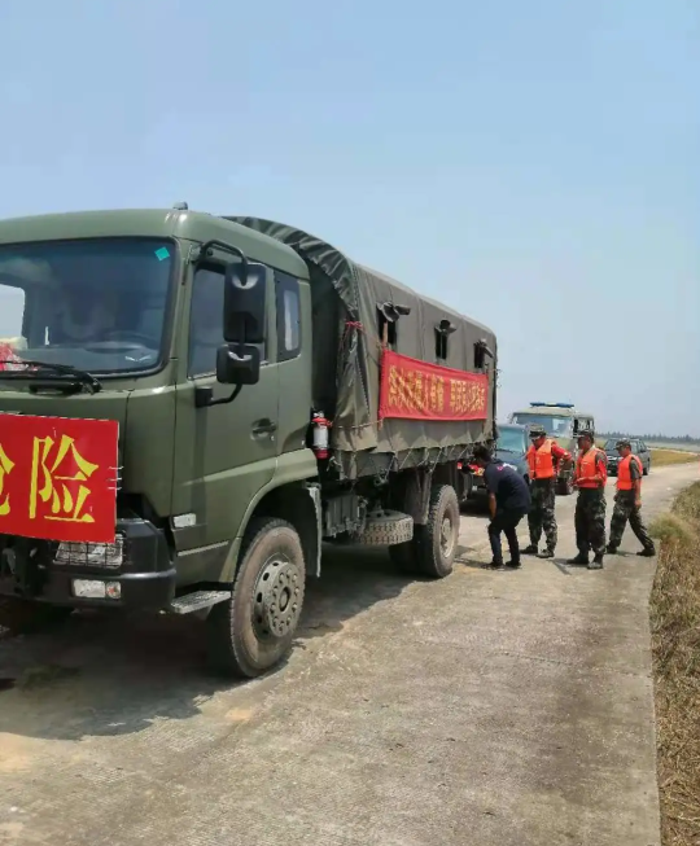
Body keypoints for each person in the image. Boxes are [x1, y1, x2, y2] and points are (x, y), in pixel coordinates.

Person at [472, 444, 532, 570]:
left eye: (476, 461)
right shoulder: (498, 464)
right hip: (524, 500)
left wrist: (494, 516)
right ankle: (515, 560)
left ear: (480, 460)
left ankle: (497, 562)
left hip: (515, 502)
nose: (477, 464)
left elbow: (492, 497)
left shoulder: (489, 471)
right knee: (509, 527)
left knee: (494, 529)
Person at [522, 424, 571, 559]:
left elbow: (568, 457)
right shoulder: (533, 448)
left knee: (547, 516)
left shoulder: (552, 447)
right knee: (533, 515)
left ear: (543, 437)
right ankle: (533, 545)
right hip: (535, 484)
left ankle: (550, 548)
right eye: (532, 439)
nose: (534, 441)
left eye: (536, 439)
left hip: (547, 485)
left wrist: (560, 472)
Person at [606, 439, 656, 557]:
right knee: (636, 523)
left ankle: (612, 546)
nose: (618, 451)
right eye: (617, 449)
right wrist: (618, 493)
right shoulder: (624, 460)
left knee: (617, 521)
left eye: (620, 449)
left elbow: (636, 481)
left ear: (628, 447)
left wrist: (637, 498)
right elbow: (624, 479)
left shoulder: (632, 462)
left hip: (629, 496)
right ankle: (649, 547)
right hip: (624, 494)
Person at [568, 429, 608, 569]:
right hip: (583, 494)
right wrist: (574, 479)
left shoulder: (598, 455)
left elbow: (601, 477)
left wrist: (585, 479)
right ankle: (583, 554)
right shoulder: (582, 454)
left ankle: (598, 557)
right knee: (581, 524)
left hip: (594, 495)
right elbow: (578, 471)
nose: (578, 442)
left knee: (596, 526)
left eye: (581, 440)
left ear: (588, 440)